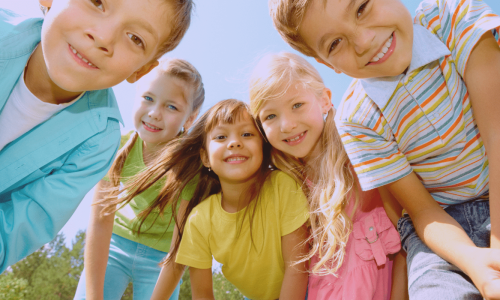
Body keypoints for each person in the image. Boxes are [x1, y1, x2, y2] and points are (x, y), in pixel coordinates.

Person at [269, 0, 500, 298]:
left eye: (362, 7)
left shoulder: (452, 17)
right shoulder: (356, 119)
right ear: (328, 65)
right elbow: (422, 211)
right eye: (336, 43)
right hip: (442, 229)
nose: (364, 41)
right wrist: (475, 263)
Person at [0, 0, 194, 272]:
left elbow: (19, 227)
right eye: (96, 2)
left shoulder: (98, 142)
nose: (103, 37)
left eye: (135, 38)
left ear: (140, 70)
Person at [249, 52, 404, 300]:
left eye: (297, 105)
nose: (287, 124)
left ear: (324, 100)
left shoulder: (362, 156)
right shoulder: (284, 188)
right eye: (271, 116)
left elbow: (407, 238)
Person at [120, 99, 310, 300]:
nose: (235, 142)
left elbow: (297, 268)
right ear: (205, 158)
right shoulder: (200, 219)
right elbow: (202, 294)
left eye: (247, 134)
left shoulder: (282, 186)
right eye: (221, 136)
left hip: (309, 289)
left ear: (263, 147)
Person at [73, 58, 204, 300]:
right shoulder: (115, 145)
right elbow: (101, 221)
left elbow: (179, 250)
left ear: (190, 118)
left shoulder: (190, 169)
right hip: (113, 245)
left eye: (171, 107)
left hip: (162, 260)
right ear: (136, 95)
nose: (154, 113)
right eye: (148, 98)